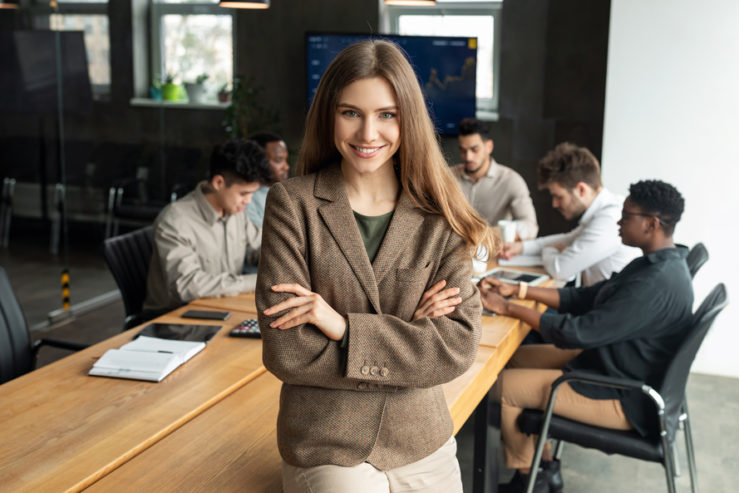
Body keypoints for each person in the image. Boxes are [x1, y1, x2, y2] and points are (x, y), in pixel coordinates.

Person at [255, 40, 494, 493]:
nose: (368, 133)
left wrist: (342, 327)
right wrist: (408, 333)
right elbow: (288, 353)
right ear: (329, 115)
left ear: (409, 119)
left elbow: (456, 347)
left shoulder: (440, 213)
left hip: (420, 437)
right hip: (327, 439)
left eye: (387, 114)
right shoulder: (292, 205)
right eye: (351, 113)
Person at [480, 180, 693, 493]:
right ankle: (545, 467)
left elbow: (577, 333)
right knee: (512, 359)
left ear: (651, 224)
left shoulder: (652, 285)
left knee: (501, 388)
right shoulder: (658, 263)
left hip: (623, 394)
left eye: (626, 216)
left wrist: (508, 308)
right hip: (615, 363)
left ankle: (531, 480)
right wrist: (519, 289)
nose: (618, 222)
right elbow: (588, 297)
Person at [143, 138, 270, 313]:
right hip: (175, 320)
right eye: (244, 193)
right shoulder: (176, 220)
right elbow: (186, 285)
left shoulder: (236, 212)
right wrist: (258, 282)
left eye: (252, 194)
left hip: (221, 307)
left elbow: (260, 247)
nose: (248, 201)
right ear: (218, 183)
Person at [500, 142, 640, 286]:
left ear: (581, 190)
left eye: (559, 197)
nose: (554, 204)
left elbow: (559, 269)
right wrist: (521, 247)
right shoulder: (603, 210)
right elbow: (569, 238)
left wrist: (550, 250)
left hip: (604, 307)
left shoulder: (609, 220)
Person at [452, 117, 538, 240]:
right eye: (463, 151)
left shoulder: (511, 180)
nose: (468, 157)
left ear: (489, 147)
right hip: (453, 252)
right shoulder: (447, 177)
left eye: (474, 150)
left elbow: (530, 227)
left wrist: (488, 233)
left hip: (493, 252)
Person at [245, 132, 289, 228]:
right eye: (278, 160)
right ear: (259, 160)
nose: (286, 167)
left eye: (286, 159)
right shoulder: (246, 199)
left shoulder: (286, 192)